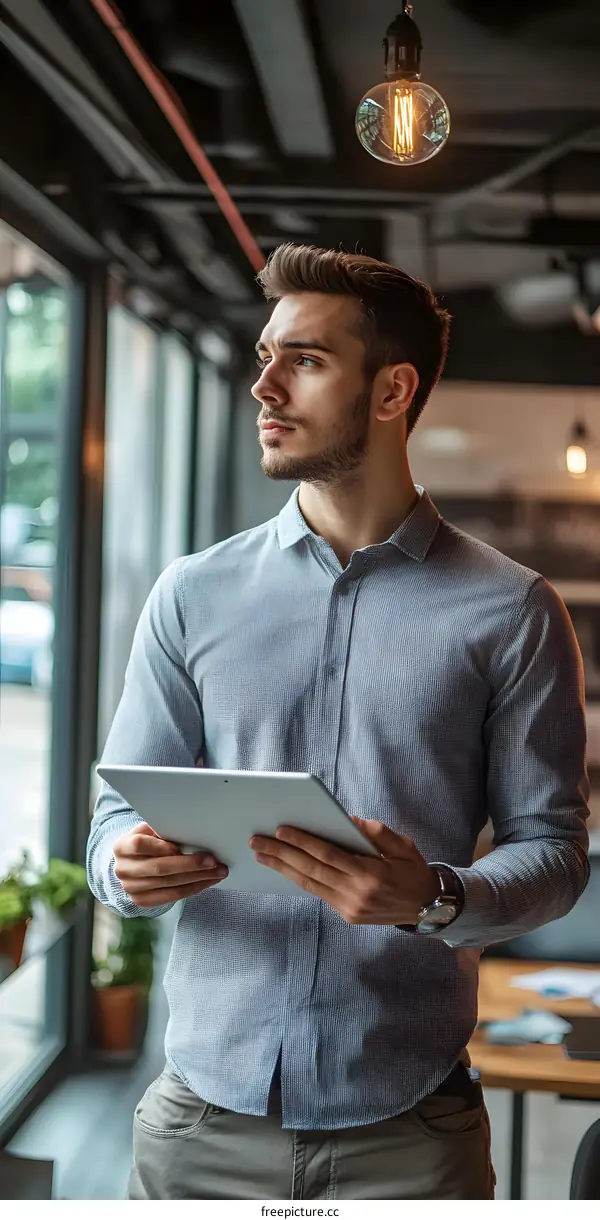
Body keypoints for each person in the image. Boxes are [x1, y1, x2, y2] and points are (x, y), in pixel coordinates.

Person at [87, 244, 590, 1201]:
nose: (263, 385)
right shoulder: (191, 595)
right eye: (265, 355)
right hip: (200, 1124)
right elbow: (114, 823)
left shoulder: (515, 612)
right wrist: (129, 866)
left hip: (409, 1136)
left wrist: (434, 897)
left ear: (393, 390)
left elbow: (557, 853)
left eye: (305, 360)